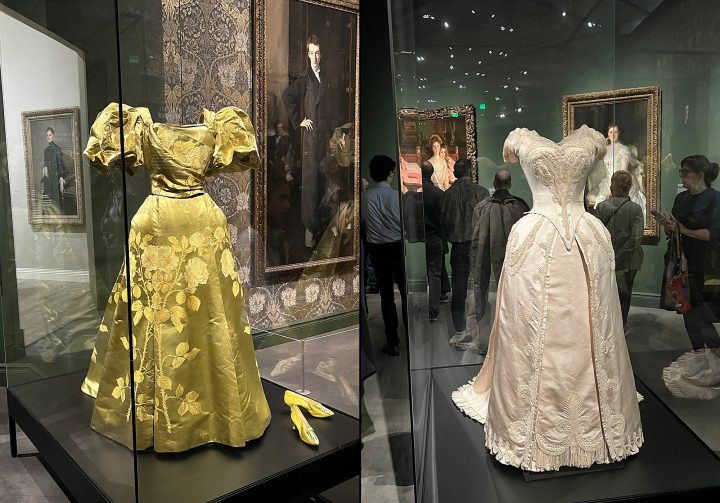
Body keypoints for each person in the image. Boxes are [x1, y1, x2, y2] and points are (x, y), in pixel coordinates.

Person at [657, 155, 720, 379]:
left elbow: (712, 235)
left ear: (699, 175)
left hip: (706, 265)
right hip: (681, 264)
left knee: (703, 314)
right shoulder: (682, 198)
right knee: (688, 313)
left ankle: (715, 361)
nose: (681, 175)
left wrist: (681, 229)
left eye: (685, 171)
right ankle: (700, 358)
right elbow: (674, 229)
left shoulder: (714, 199)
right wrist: (668, 226)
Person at [283, 34, 338, 247]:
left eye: (317, 53)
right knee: (311, 184)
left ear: (321, 55)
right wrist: (300, 121)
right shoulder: (304, 78)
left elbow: (331, 109)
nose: (314, 57)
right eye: (311, 53)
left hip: (325, 139)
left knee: (326, 182)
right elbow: (288, 97)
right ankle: (309, 228)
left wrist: (335, 134)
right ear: (307, 54)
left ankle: (322, 228)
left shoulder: (327, 78)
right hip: (311, 140)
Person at [469, 169, 528, 342]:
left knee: (481, 285)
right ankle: (512, 333)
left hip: (483, 253)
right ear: (510, 184)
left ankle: (483, 333)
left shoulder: (481, 207)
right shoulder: (520, 206)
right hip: (512, 256)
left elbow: (474, 232)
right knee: (514, 288)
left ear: (495, 184)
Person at [361, 155, 407, 357]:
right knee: (405, 294)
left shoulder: (364, 197)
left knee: (386, 296)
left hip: (377, 250)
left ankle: (393, 342)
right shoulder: (397, 196)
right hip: (396, 247)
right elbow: (403, 224)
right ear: (390, 173)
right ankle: (411, 339)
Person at [441, 158, 489, 341]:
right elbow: (486, 220)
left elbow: (443, 222)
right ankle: (482, 326)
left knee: (459, 288)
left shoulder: (447, 195)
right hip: (477, 246)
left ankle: (459, 329)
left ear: (455, 172)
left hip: (459, 247)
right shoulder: (481, 192)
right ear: (470, 171)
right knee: (480, 286)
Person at [596, 170, 645, 333]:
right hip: (629, 260)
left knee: (605, 293)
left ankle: (606, 326)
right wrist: (622, 254)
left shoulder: (602, 207)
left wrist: (612, 253)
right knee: (625, 295)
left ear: (611, 185)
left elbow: (596, 234)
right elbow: (636, 238)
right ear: (629, 187)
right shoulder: (635, 209)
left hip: (606, 258)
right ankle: (621, 326)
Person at [420, 161, 445, 322]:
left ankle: (422, 308)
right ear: (432, 173)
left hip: (417, 240)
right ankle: (433, 310)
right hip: (435, 237)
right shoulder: (438, 193)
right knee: (434, 274)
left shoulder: (413, 194)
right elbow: (443, 218)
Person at [43, 127, 67, 211]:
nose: (48, 137)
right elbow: (46, 162)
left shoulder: (58, 150)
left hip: (56, 179)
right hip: (49, 179)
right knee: (48, 204)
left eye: (50, 135)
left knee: (57, 204)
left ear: (53, 136)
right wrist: (45, 167)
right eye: (47, 135)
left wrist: (61, 182)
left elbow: (61, 166)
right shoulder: (45, 150)